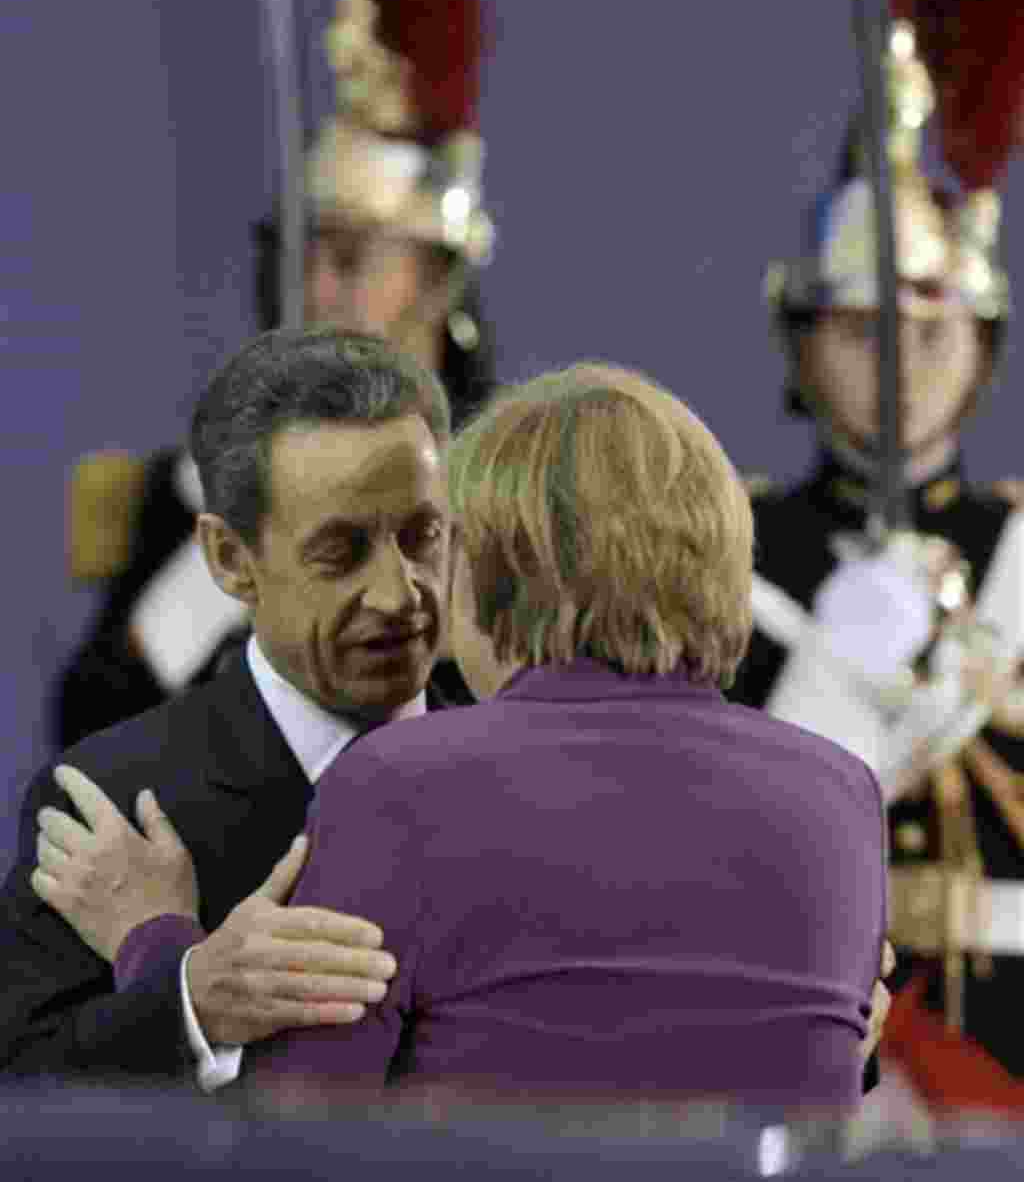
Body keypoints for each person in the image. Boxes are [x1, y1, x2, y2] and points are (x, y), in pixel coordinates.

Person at [109, 362, 888, 1108]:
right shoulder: (844, 798)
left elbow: (294, 1142)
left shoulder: (397, 786)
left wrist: (157, 946)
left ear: (488, 570)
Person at [56, 0, 496, 749]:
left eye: (354, 258)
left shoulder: (507, 486)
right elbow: (90, 723)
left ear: (439, 275)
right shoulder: (200, 486)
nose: (319, 291)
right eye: (303, 255)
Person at [0, 327, 455, 1084]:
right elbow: (17, 1093)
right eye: (340, 553)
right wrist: (188, 1004)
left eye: (422, 536)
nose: (399, 593)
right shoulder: (112, 802)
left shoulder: (526, 769)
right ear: (229, 560)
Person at [729, 0, 1024, 1112]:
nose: (900, 359)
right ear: (799, 345)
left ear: (984, 342)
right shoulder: (730, 554)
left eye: (930, 323)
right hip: (795, 1031)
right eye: (859, 328)